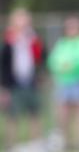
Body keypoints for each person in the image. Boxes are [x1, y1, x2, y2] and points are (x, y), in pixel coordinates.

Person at [47, 16, 79, 150]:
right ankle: (64, 142)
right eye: (69, 27)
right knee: (62, 114)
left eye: (74, 27)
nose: (71, 30)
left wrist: (71, 65)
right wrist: (62, 66)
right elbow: (53, 61)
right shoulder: (62, 43)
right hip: (64, 82)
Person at [0, 8, 45, 149]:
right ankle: (11, 146)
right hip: (13, 84)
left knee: (35, 114)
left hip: (31, 82)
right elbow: (3, 64)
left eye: (25, 19)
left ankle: (36, 145)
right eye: (20, 19)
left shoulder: (33, 38)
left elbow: (41, 57)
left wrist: (40, 75)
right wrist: (3, 87)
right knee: (13, 116)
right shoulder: (9, 40)